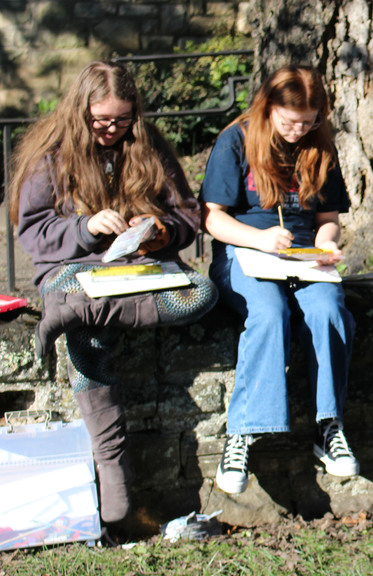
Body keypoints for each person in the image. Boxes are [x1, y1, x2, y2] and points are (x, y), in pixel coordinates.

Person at [12, 60, 219, 524]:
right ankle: (115, 488)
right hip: (73, 271)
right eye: (100, 120)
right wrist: (85, 227)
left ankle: (76, 312)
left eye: (121, 120)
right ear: (80, 109)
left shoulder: (148, 147)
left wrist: (161, 232)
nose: (110, 129)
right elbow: (34, 232)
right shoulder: (50, 152)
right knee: (89, 346)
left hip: (138, 270)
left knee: (201, 292)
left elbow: (187, 214)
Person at [200, 65, 356, 496]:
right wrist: (260, 239)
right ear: (268, 109)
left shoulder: (319, 147)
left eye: (308, 122)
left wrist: (326, 246)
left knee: (328, 309)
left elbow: (328, 220)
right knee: (267, 313)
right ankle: (243, 434)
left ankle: (329, 425)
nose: (298, 130)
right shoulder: (236, 139)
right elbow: (213, 217)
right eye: (289, 122)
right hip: (245, 251)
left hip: (303, 256)